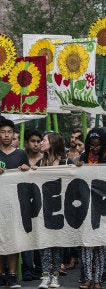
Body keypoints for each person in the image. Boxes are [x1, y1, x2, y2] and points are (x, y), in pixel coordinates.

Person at [75, 128, 106, 289]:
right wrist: (79, 166)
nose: (94, 149)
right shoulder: (84, 156)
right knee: (85, 244)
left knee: (99, 246)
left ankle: (98, 279)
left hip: (103, 207)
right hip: (86, 206)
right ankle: (87, 278)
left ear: (104, 144)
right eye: (91, 146)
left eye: (97, 147)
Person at [0, 117, 31, 288]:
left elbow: (28, 177)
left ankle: (12, 275)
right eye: (3, 132)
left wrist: (26, 170)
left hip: (14, 204)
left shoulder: (20, 154)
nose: (6, 135)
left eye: (9, 132)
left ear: (13, 134)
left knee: (13, 238)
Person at [37, 132, 69, 289]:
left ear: (53, 143)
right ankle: (45, 276)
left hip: (61, 210)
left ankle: (55, 276)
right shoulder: (40, 162)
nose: (40, 143)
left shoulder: (66, 162)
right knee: (44, 244)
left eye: (43, 140)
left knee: (57, 244)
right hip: (43, 209)